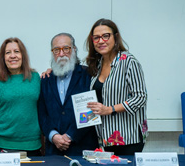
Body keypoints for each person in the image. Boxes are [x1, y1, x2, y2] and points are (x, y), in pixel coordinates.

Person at [85, 18, 148, 155]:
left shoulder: (128, 61)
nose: (101, 41)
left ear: (116, 37)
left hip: (128, 137)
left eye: (106, 36)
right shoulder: (97, 64)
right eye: (96, 38)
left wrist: (109, 109)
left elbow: (140, 97)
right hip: (104, 137)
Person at [37, 33, 97, 155]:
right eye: (56, 50)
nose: (61, 53)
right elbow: (42, 114)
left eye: (66, 48)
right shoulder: (45, 79)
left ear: (74, 49)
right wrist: (53, 136)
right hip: (53, 150)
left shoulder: (89, 75)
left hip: (83, 149)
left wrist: (69, 136)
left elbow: (91, 110)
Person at [0, 37, 42, 156]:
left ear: (23, 55)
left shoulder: (36, 78)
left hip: (34, 145)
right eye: (8, 52)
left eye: (17, 51)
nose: (12, 56)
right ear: (3, 57)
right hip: (4, 146)